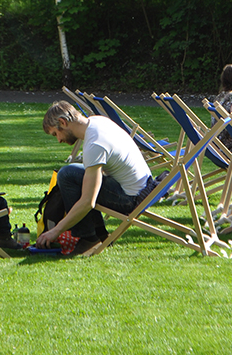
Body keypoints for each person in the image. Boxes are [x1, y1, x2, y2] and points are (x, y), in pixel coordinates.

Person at [35, 100, 156, 254]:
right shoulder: (98, 121)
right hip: (145, 187)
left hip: (131, 199)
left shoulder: (94, 144)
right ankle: (97, 233)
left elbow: (88, 202)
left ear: (63, 122)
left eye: (55, 134)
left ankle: (89, 238)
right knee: (72, 173)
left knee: (67, 175)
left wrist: (56, 230)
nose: (58, 140)